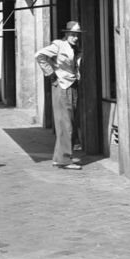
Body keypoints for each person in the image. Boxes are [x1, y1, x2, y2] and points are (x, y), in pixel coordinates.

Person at [35, 20, 83, 170]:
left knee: (70, 122)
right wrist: (51, 74)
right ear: (67, 34)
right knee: (65, 124)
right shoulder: (58, 45)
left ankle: (61, 157)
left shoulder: (75, 48)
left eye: (77, 35)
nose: (75, 37)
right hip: (63, 86)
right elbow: (39, 55)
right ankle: (64, 160)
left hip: (72, 85)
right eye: (73, 34)